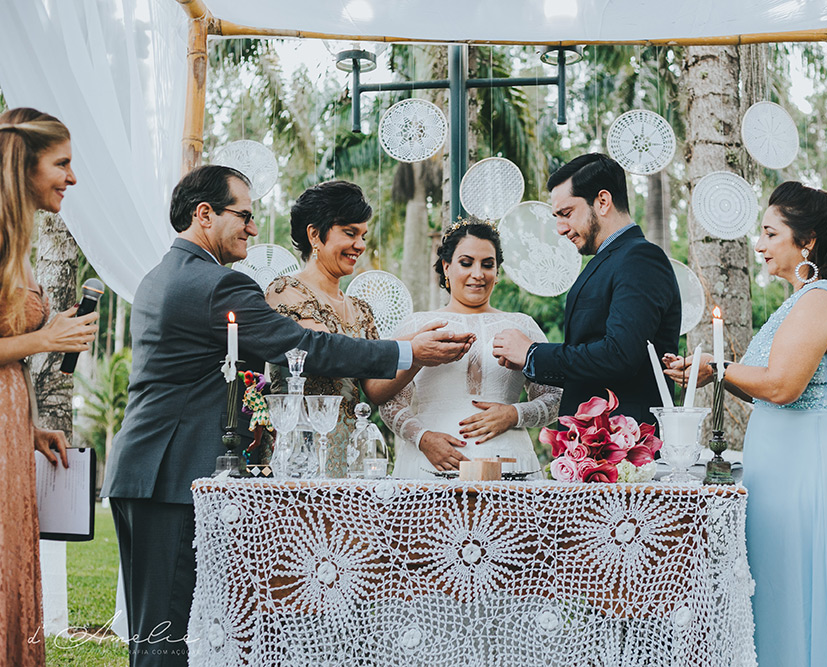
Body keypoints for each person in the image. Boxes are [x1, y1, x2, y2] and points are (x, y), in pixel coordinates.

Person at [100, 165, 473, 666]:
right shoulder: (218, 286)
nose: (254, 229)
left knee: (165, 631)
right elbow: (300, 347)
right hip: (173, 473)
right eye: (245, 216)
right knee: (171, 630)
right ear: (204, 214)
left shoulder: (162, 274)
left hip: (145, 468)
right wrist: (406, 352)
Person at [664, 181, 827, 666]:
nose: (759, 245)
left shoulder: (820, 300)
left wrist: (720, 369)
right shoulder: (803, 299)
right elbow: (768, 384)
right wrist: (712, 372)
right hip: (789, 468)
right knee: (786, 595)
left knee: (805, 595)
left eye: (771, 233)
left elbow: (782, 387)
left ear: (807, 241)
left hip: (812, 472)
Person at [0, 108, 99, 666]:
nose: (72, 177)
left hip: (11, 426)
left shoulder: (19, 240)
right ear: (24, 165)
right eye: (62, 163)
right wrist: (46, 339)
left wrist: (29, 427)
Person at [492, 152, 681, 426]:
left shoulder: (641, 258)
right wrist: (528, 362)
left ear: (602, 201)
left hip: (624, 444)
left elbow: (620, 355)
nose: (559, 228)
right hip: (588, 443)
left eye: (566, 213)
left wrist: (532, 354)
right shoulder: (609, 259)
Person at [383, 220, 561, 477]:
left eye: (487, 264)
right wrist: (424, 438)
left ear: (497, 272)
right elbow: (390, 401)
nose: (478, 273)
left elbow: (555, 397)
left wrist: (514, 413)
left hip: (509, 464)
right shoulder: (417, 325)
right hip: (427, 465)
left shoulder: (522, 325)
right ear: (446, 267)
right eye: (466, 263)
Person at [265, 180, 388, 476]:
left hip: (350, 457)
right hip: (298, 455)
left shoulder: (361, 309)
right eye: (350, 233)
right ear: (315, 235)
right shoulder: (285, 291)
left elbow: (375, 390)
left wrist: (423, 356)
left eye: (363, 235)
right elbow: (328, 351)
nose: (360, 245)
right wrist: (409, 347)